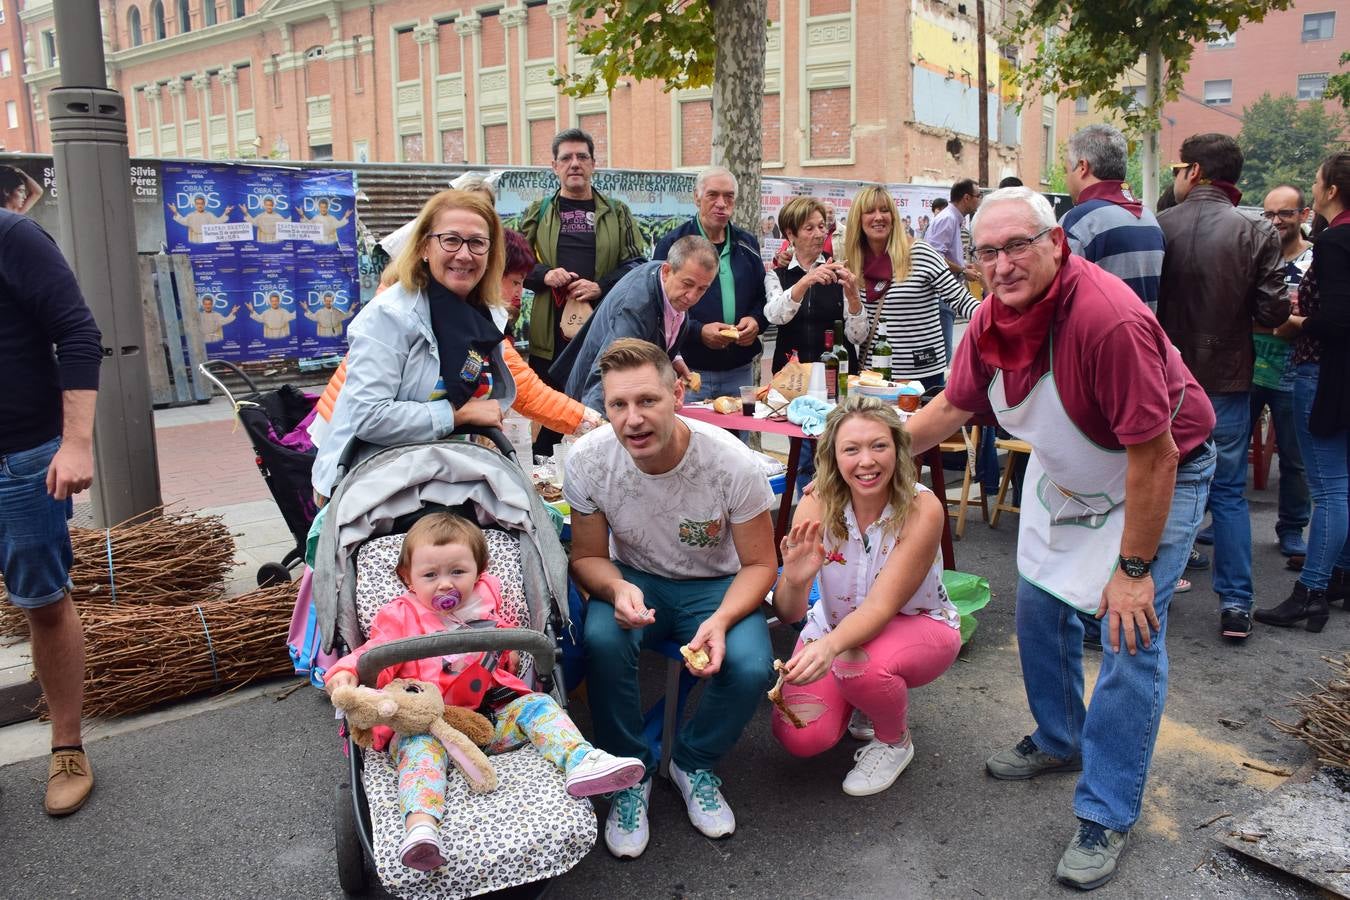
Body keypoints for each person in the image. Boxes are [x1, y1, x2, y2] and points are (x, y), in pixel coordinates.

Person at [904, 187, 1216, 889]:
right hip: (1077, 470)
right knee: (1040, 605)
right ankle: (1059, 738)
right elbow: (954, 405)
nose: (1003, 264)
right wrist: (865, 453)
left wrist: (1132, 568)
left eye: (1018, 246)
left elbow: (1156, 455)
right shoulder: (991, 316)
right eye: (988, 252)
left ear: (1055, 242)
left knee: (1129, 630)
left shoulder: (1107, 321)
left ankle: (1106, 811)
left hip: (1159, 469)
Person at [324, 512, 644, 871]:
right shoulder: (400, 617)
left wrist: (506, 653)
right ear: (408, 579)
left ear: (478, 571)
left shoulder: (485, 604)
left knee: (538, 704)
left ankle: (582, 761)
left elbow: (506, 652)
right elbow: (372, 652)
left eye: (457, 572)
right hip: (429, 727)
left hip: (488, 722)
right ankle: (421, 828)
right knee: (417, 753)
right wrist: (345, 672)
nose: (445, 585)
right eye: (430, 575)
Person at [565, 338, 778, 859]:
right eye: (618, 405)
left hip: (716, 585)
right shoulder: (589, 460)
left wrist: (724, 618)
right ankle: (627, 767)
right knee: (602, 638)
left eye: (647, 401)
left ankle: (693, 761)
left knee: (751, 666)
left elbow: (761, 565)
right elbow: (587, 557)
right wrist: (615, 587)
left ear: (677, 393)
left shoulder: (732, 464)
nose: (632, 419)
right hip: (637, 576)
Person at [770, 396, 961, 796]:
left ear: (898, 448)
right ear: (833, 457)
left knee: (857, 663)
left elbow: (880, 607)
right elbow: (790, 612)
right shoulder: (815, 503)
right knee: (801, 738)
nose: (867, 461)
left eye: (879, 446)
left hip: (919, 625)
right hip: (838, 630)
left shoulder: (922, 508)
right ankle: (864, 701)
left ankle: (894, 741)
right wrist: (794, 580)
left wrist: (829, 648)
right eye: (851, 449)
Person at [1157, 133, 1290, 640]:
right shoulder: (1255, 231)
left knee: (1159, 486)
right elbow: (1274, 309)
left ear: (1194, 172)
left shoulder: (1159, 226)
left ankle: (1153, 596)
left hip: (1166, 382)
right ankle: (1236, 604)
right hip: (1227, 380)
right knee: (1229, 494)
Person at [311, 189, 515, 501]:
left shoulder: (486, 315)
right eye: (450, 240)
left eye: (477, 243)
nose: (464, 254)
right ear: (424, 247)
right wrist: (457, 415)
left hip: (443, 476)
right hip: (374, 485)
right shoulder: (390, 315)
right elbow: (369, 416)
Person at [0, 207, 103, 816]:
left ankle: (67, 746)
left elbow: (78, 333)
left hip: (22, 459)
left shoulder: (12, 235)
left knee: (41, 601)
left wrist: (77, 442)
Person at [1256, 152, 1350, 630]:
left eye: (1316, 183)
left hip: (1323, 372)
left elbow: (1336, 319)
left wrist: (1291, 324)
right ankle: (1339, 577)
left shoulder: (1333, 243)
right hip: (1335, 374)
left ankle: (1311, 589)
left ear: (1330, 191)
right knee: (1342, 483)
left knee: (1330, 489)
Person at [519, 128, 646, 395]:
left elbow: (637, 265)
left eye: (582, 157)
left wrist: (601, 286)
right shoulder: (538, 212)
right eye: (566, 158)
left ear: (593, 164)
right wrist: (545, 275)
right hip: (550, 337)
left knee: (599, 406)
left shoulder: (617, 212)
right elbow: (515, 264)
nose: (574, 163)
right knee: (550, 414)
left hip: (603, 330)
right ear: (554, 167)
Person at [557, 236, 718, 413]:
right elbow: (609, 370)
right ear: (666, 271)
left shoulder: (671, 280)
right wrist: (595, 429)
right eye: (688, 284)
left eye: (702, 289)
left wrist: (674, 357)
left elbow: (666, 320)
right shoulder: (635, 306)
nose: (692, 296)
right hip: (595, 404)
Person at [841, 185, 979, 388]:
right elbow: (855, 336)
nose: (878, 217)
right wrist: (853, 301)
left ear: (894, 217)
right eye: (870, 211)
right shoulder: (854, 264)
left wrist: (999, 324)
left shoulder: (920, 253)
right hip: (874, 377)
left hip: (922, 376)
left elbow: (961, 300)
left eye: (885, 210)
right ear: (858, 219)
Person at [653, 167, 770, 403]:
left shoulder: (747, 243)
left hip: (740, 369)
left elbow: (763, 295)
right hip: (689, 368)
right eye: (713, 195)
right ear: (696, 197)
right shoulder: (674, 244)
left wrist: (757, 320)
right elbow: (658, 304)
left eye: (728, 196)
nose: (721, 203)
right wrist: (697, 331)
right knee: (689, 437)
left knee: (737, 440)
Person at [1244, 185, 1313, 562]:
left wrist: (1292, 323)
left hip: (1294, 371)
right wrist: (1277, 325)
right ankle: (1222, 519)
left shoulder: (1316, 260)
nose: (1275, 222)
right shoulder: (1255, 253)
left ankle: (1291, 528)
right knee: (1232, 451)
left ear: (1303, 216)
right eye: (1268, 214)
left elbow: (1323, 317)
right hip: (1250, 367)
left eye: (1284, 214)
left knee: (1295, 457)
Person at [1060, 124, 1166, 312]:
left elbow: (1059, 297)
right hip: (1143, 338)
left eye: (1066, 170)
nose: (1066, 178)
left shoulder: (1079, 222)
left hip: (1095, 340)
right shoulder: (1150, 220)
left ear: (1083, 167)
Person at [768, 196, 867, 373]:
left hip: (836, 376)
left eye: (822, 226)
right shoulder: (777, 275)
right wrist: (806, 280)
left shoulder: (839, 273)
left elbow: (858, 337)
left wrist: (854, 302)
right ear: (791, 234)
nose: (819, 233)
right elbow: (775, 316)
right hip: (791, 379)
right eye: (809, 228)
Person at [923, 178, 984, 362]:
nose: (979, 200)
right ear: (966, 197)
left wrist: (964, 267)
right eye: (978, 196)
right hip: (942, 293)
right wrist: (962, 271)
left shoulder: (953, 219)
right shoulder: (948, 218)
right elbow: (933, 257)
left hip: (947, 293)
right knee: (943, 353)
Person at [167, 194, 234, 243]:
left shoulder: (209, 215)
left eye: (201, 203)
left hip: (207, 239)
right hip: (194, 239)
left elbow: (218, 221)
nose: (200, 205)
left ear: (204, 204)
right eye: (198, 203)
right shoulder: (191, 215)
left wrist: (225, 213)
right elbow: (182, 220)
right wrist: (175, 212)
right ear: (195, 205)